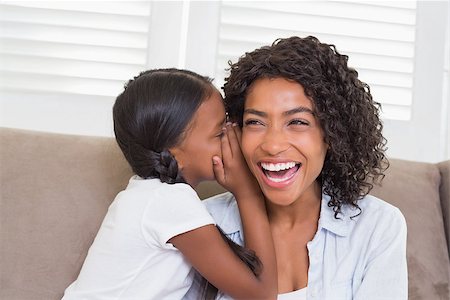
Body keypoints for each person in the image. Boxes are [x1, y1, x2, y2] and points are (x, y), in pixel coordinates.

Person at [184, 36, 407, 300]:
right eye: (255, 122)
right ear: (235, 131)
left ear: (332, 133)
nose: (273, 145)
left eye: (298, 122)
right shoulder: (201, 225)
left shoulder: (376, 226)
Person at [62, 68, 277, 300]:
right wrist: (247, 192)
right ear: (175, 154)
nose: (233, 137)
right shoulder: (168, 201)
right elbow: (261, 294)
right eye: (219, 133)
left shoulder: (149, 193)